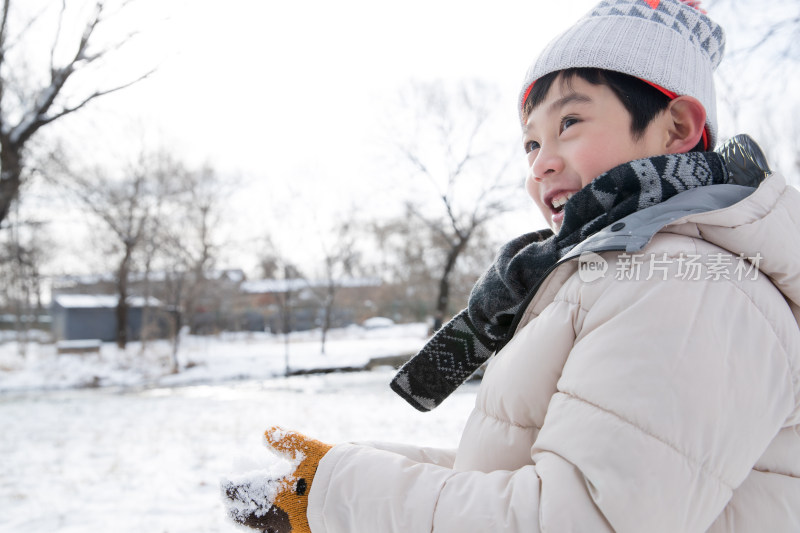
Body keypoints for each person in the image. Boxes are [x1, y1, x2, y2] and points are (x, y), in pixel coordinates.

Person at [222, 1, 800, 531]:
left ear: (676, 128)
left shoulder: (689, 286)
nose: (542, 164)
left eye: (569, 123)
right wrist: (331, 484)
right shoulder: (620, 273)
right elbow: (536, 473)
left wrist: (338, 490)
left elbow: (580, 519)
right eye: (529, 143)